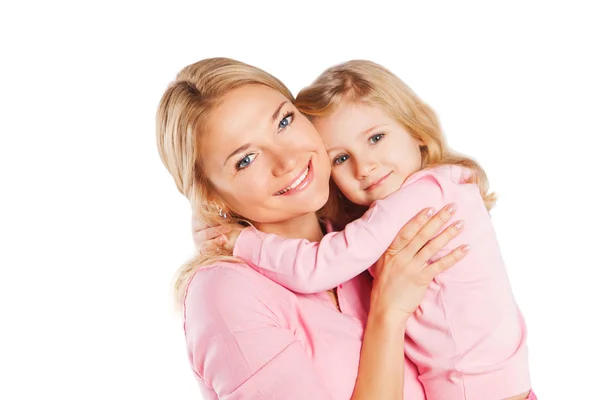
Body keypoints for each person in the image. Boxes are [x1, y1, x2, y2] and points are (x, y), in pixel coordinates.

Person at [195, 61, 536, 400]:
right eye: (246, 159)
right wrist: (388, 311)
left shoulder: (415, 199)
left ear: (415, 128)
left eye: (284, 121)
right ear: (210, 194)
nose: (366, 166)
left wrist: (245, 242)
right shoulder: (228, 292)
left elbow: (319, 266)